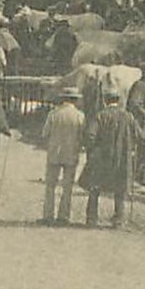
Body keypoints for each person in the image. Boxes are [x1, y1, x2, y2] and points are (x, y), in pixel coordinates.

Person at [80, 90, 137, 227]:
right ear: (119, 100)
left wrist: (90, 148)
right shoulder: (128, 117)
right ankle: (118, 220)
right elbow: (135, 136)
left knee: (95, 188)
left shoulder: (100, 116)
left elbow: (90, 135)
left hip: (102, 158)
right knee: (120, 189)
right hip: (122, 158)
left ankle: (92, 218)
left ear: (105, 100)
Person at [41, 88, 86, 225]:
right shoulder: (80, 116)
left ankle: (48, 215)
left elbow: (45, 133)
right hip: (71, 153)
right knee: (67, 186)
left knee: (50, 185)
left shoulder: (53, 114)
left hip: (54, 152)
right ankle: (64, 216)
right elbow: (82, 136)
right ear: (75, 100)